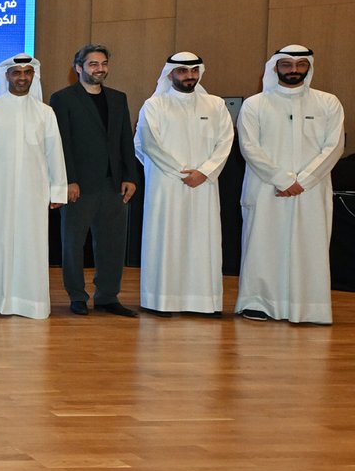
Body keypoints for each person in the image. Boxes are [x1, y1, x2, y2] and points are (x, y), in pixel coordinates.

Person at [235, 46, 345, 324]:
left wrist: (303, 181)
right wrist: (283, 179)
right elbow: (249, 146)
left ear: (309, 67)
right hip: (267, 188)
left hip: (311, 190)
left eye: (300, 64)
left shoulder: (328, 103)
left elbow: (334, 146)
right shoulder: (255, 104)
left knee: (309, 247)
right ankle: (258, 303)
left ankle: (309, 307)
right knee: (263, 244)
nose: (293, 70)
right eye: (286, 64)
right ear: (275, 67)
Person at [134, 52, 234, 317]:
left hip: (204, 185)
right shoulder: (154, 105)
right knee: (166, 240)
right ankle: (161, 300)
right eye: (182, 71)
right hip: (166, 186)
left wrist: (204, 172)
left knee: (202, 240)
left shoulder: (215, 105)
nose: (189, 76)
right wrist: (182, 173)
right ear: (170, 74)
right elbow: (148, 144)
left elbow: (225, 141)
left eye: (194, 71)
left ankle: (204, 303)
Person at [0, 55, 68, 318]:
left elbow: (54, 153)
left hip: (33, 191)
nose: (22, 78)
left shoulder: (45, 113)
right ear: (7, 76)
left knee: (30, 245)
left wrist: (58, 190)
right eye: (16, 73)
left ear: (33, 76)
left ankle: (30, 303)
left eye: (27, 72)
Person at [49, 44, 139, 317]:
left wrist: (130, 176)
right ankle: (77, 296)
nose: (100, 69)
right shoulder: (62, 99)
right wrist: (69, 180)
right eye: (93, 64)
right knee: (73, 243)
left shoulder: (118, 98)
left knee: (113, 244)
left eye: (103, 64)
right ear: (78, 68)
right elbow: (62, 143)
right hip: (79, 185)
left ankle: (107, 297)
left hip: (114, 185)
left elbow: (125, 141)